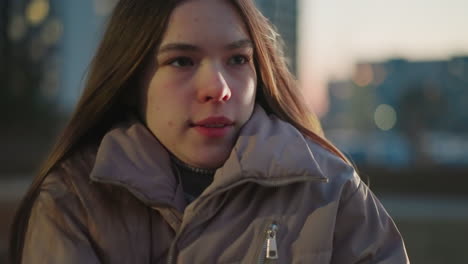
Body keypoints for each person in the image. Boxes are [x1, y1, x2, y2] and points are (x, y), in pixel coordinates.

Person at [10, 0, 409, 263]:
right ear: (131, 77)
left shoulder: (330, 191)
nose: (218, 88)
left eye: (237, 59)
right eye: (182, 61)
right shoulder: (74, 202)